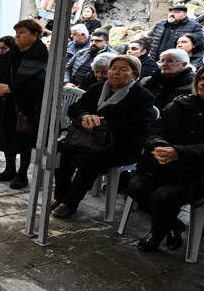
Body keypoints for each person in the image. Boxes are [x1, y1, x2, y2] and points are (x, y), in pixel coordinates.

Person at [127, 61, 204, 252]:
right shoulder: (182, 103)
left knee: (164, 195)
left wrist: (179, 153)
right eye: (201, 78)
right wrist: (161, 147)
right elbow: (154, 131)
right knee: (135, 186)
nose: (203, 83)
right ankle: (173, 226)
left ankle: (157, 233)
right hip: (168, 165)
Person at [50, 55, 153, 219]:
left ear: (135, 74)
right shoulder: (97, 88)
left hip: (120, 144)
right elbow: (75, 108)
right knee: (61, 150)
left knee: (88, 161)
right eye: (113, 68)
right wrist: (85, 116)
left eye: (123, 69)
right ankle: (60, 196)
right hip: (87, 138)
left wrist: (101, 124)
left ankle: (70, 203)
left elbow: (137, 125)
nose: (116, 72)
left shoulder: (142, 96)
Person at [0, 19, 48, 189]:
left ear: (35, 34)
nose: (18, 36)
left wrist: (9, 88)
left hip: (29, 105)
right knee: (8, 135)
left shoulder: (41, 54)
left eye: (22, 32)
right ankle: (9, 170)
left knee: (24, 139)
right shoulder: (12, 52)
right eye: (17, 32)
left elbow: (37, 82)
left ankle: (22, 175)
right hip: (7, 103)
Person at [140, 48, 195, 113]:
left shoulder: (191, 86)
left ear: (183, 64)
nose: (164, 64)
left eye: (170, 61)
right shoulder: (150, 80)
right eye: (162, 61)